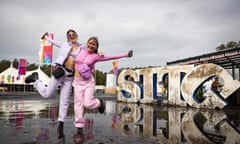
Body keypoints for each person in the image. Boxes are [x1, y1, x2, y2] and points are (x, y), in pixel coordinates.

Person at [25, 29, 84, 139]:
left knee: (64, 100)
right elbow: (53, 42)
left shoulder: (82, 47)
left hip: (70, 77)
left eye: (73, 34)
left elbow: (92, 51)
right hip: (60, 71)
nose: (72, 36)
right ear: (67, 38)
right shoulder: (64, 45)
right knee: (47, 94)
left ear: (77, 35)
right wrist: (46, 37)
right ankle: (36, 80)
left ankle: (61, 123)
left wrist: (98, 53)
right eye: (69, 35)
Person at [73, 36, 133, 133]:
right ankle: (79, 126)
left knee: (87, 103)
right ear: (86, 43)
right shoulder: (81, 50)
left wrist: (126, 54)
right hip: (77, 81)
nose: (91, 45)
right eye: (90, 43)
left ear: (96, 47)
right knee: (78, 105)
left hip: (88, 82)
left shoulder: (96, 56)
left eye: (94, 44)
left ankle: (99, 102)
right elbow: (67, 46)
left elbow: (111, 57)